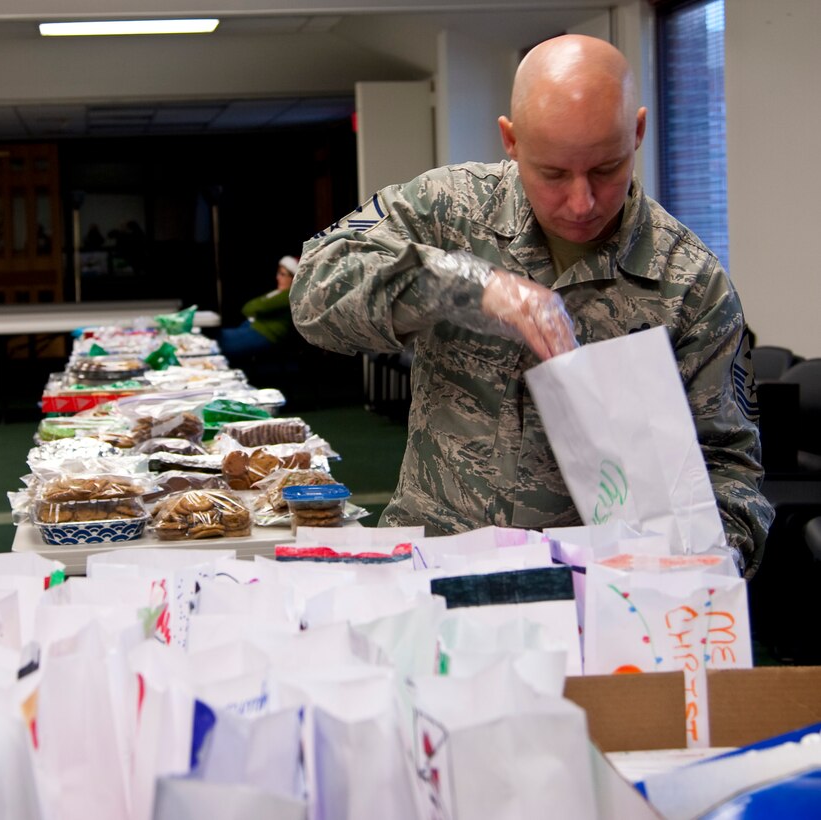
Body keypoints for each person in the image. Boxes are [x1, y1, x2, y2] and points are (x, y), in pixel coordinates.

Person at [289, 34, 774, 577]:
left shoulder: (692, 283)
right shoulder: (447, 206)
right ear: (511, 140)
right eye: (554, 174)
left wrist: (704, 568)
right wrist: (467, 285)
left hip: (595, 591)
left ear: (637, 131)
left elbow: (730, 470)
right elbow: (314, 286)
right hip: (432, 562)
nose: (581, 202)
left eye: (607, 169)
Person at [219, 255, 300, 360]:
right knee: (218, 338)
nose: (277, 277)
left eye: (282, 274)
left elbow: (256, 307)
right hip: (254, 327)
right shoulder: (277, 293)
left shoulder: (288, 295)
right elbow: (248, 307)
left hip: (265, 335)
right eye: (278, 273)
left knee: (220, 344)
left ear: (293, 278)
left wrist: (257, 306)